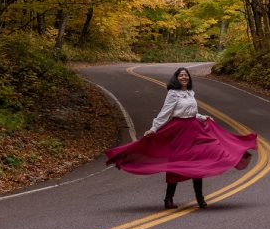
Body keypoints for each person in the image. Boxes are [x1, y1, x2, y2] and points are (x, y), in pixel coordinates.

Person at [104, 67, 258, 209]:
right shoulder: (173, 93)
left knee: (198, 163)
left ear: (188, 79)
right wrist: (154, 128)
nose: (184, 77)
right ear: (176, 78)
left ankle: (200, 198)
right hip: (179, 131)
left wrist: (203, 117)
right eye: (181, 75)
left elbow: (191, 112)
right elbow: (166, 113)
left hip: (194, 129)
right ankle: (168, 199)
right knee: (177, 163)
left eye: (186, 75)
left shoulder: (191, 93)